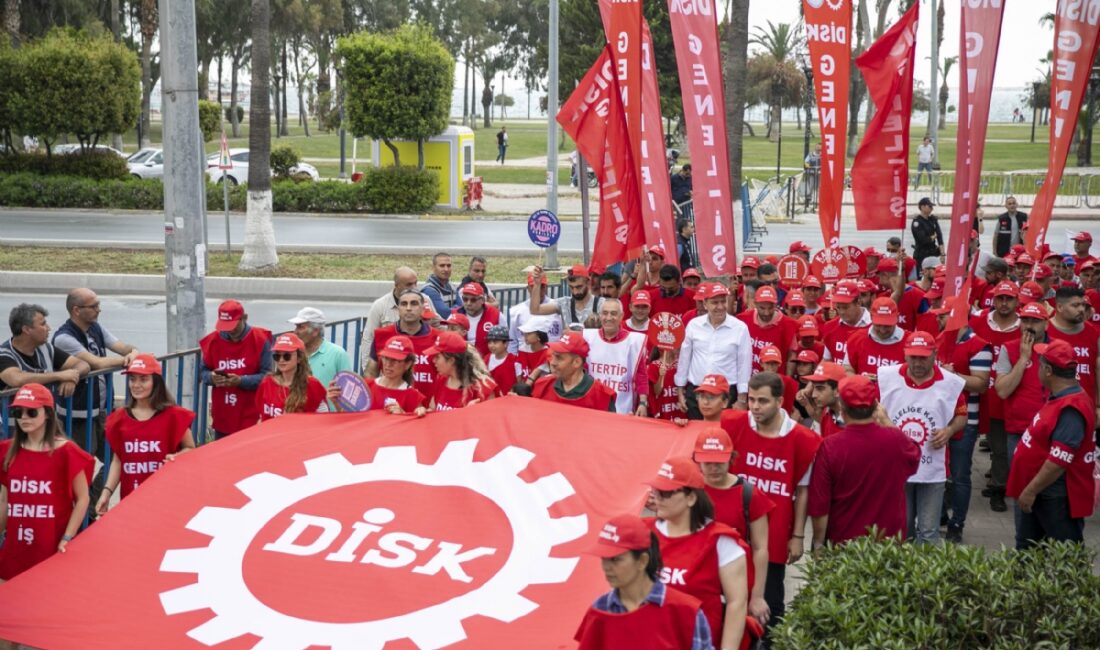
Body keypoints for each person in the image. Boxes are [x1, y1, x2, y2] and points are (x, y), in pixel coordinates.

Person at [721, 372, 820, 635]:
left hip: (775, 530)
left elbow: (803, 490)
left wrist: (798, 535)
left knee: (771, 603)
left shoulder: (802, 438)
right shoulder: (733, 423)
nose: (754, 407)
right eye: (751, 400)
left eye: (762, 401)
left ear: (779, 401)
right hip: (732, 529)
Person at [645, 457, 749, 650]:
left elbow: (737, 603)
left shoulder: (721, 541)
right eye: (656, 491)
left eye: (666, 493)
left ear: (691, 498)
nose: (657, 498)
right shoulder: (643, 533)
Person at [808, 375, 922, 547]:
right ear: (876, 406)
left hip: (843, 544)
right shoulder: (896, 441)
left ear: (842, 408)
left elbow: (820, 506)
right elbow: (914, 457)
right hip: (888, 544)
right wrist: (886, 421)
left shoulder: (830, 447)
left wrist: (818, 543)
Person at [877, 331, 966, 544]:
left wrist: (949, 430)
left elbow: (962, 415)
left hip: (932, 467)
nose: (917, 362)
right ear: (905, 355)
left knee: (928, 531)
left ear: (935, 354)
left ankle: (924, 575)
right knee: (901, 530)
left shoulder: (951, 383)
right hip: (896, 467)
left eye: (923, 357)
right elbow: (875, 411)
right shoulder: (887, 377)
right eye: (913, 357)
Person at [1006, 339, 1097, 549]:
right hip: (1043, 493)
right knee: (1027, 550)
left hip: (1054, 497)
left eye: (1040, 363)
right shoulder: (1061, 397)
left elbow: (1058, 461)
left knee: (1065, 556)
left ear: (1048, 370)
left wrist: (1030, 490)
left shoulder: (1071, 409)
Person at [574, 514, 713, 650]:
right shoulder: (599, 610)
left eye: (615, 559)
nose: (606, 567)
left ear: (642, 561)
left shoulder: (685, 612)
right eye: (603, 559)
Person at [0, 383, 93, 581]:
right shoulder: (7, 451)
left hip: (52, 543)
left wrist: (68, 537)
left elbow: (83, 499)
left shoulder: (67, 452)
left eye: (31, 412)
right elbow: (5, 502)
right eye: (18, 412)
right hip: (17, 545)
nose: (23, 417)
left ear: (48, 414)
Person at [51, 289, 137, 495]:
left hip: (101, 411)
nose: (99, 309)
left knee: (121, 456)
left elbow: (123, 346)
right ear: (76, 310)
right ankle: (78, 515)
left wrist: (131, 353)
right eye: (94, 306)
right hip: (77, 416)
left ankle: (90, 507)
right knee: (80, 468)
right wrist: (127, 359)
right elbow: (96, 363)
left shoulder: (95, 327)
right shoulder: (64, 338)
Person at [693, 428, 774, 629]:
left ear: (731, 458)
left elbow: (760, 548)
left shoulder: (749, 494)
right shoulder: (689, 491)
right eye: (707, 462)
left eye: (719, 461)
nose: (713, 468)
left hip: (738, 584)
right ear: (696, 460)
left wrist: (757, 596)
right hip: (699, 583)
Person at [97, 354, 195, 513]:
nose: (136, 385)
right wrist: (106, 493)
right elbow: (118, 460)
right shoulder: (119, 418)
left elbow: (190, 448)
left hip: (166, 497)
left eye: (143, 380)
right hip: (131, 498)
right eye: (132, 379)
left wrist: (178, 456)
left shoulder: (174, 416)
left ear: (155, 382)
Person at [933, 299, 993, 543]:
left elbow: (981, 383)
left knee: (959, 475)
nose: (938, 319)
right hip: (937, 418)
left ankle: (957, 523)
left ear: (956, 317)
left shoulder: (979, 345)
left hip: (965, 420)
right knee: (938, 471)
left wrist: (953, 376)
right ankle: (939, 515)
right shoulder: (938, 341)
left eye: (943, 315)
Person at [675, 282, 752, 420]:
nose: (720, 307)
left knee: (722, 437)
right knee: (696, 435)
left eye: (723, 301)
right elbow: (684, 358)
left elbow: (744, 365)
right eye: (715, 302)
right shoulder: (694, 325)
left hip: (726, 395)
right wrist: (680, 390)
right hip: (697, 392)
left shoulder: (740, 328)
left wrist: (741, 399)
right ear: (705, 304)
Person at [199, 300, 272, 440]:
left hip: (252, 416)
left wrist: (241, 381)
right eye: (225, 326)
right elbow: (203, 372)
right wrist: (212, 378)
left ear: (244, 318)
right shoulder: (212, 341)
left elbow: (268, 377)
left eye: (233, 325)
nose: (230, 330)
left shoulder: (260, 339)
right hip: (223, 417)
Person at [0, 304, 89, 402]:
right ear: (26, 330)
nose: (49, 328)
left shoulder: (46, 348)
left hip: (44, 415)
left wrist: (71, 377)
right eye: (43, 324)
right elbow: (16, 379)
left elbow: (82, 364)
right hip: (18, 416)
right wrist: (60, 375)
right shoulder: (4, 354)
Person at [583, 300, 649, 415]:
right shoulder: (588, 338)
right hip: (593, 405)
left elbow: (641, 375)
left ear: (621, 316)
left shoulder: (633, 342)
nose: (608, 317)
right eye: (605, 313)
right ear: (600, 315)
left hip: (622, 407)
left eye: (613, 313)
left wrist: (643, 403)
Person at [367, 290, 437, 394]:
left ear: (423, 309)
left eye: (414, 303)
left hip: (428, 408)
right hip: (389, 405)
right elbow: (371, 373)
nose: (408, 308)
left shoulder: (438, 338)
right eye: (404, 304)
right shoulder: (382, 336)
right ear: (398, 309)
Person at [1045, 286, 1100, 412]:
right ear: (1059, 307)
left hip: (1085, 407)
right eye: (1075, 305)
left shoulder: (1094, 333)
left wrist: (1098, 406)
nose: (1081, 309)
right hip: (1049, 407)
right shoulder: (1045, 331)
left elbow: (1098, 370)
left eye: (1082, 305)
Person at [531, 331, 616, 411]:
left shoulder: (602, 396)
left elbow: (611, 426)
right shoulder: (542, 386)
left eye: (559, 358)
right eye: (553, 356)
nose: (552, 362)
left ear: (577, 362)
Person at [256, 333, 329, 422]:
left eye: (287, 356)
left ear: (299, 358)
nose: (281, 360)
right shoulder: (266, 383)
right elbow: (261, 417)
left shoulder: (313, 385)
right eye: (277, 356)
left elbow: (324, 419)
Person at [425, 331, 497, 411]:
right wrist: (422, 411)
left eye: (437, 357)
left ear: (451, 360)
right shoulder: (441, 379)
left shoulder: (483, 387)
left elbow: (492, 419)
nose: (433, 360)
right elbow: (432, 409)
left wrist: (471, 414)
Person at [843, 297, 909, 381]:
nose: (882, 330)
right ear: (871, 316)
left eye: (887, 326)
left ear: (897, 317)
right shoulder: (856, 339)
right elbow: (847, 370)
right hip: (864, 392)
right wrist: (860, 380)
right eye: (878, 325)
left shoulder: (909, 342)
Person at [362, 266, 418, 365]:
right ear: (397, 286)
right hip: (389, 366)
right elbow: (368, 338)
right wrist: (368, 371)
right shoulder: (380, 305)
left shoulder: (425, 301)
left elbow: (439, 327)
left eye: (415, 283)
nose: (414, 288)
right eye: (409, 284)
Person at [289, 307, 351, 393]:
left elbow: (348, 389)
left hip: (327, 406)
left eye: (300, 327)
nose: (295, 332)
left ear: (315, 331)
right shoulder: (290, 354)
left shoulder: (338, 354)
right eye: (296, 327)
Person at [737, 286, 798, 372]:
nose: (766, 313)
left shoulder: (788, 325)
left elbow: (791, 355)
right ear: (755, 304)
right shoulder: (743, 319)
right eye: (762, 308)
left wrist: (786, 380)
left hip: (774, 381)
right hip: (746, 379)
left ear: (776, 304)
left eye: (770, 308)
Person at [364, 335, 427, 415]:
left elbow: (417, 426)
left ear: (408, 364)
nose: (388, 364)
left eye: (395, 360)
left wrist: (403, 414)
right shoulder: (366, 386)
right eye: (386, 358)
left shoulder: (413, 397)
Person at [529, 264, 602, 328]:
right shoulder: (564, 303)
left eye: (579, 287)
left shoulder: (602, 304)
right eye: (571, 287)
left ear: (588, 283)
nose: (575, 292)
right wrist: (537, 283)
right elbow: (535, 310)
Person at [508, 273, 564, 354]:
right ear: (528, 288)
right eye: (533, 287)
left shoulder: (557, 307)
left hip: (552, 358)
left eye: (542, 286)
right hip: (526, 358)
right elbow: (513, 341)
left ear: (546, 287)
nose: (538, 290)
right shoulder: (517, 311)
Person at [820, 281, 869, 363]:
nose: (842, 312)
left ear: (858, 302)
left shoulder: (875, 326)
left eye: (846, 307)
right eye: (838, 307)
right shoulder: (831, 327)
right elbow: (826, 360)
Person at [455, 282, 502, 357]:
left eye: (473, 300)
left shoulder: (497, 315)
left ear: (482, 300)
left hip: (487, 363)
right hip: (461, 363)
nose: (468, 303)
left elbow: (506, 341)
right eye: (465, 299)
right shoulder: (454, 315)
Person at [516, 317, 552, 389]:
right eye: (524, 333)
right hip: (524, 388)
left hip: (540, 389)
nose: (525, 336)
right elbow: (518, 372)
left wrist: (523, 390)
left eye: (529, 333)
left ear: (539, 336)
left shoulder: (548, 352)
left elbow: (534, 376)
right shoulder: (522, 349)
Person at [483, 326, 520, 396]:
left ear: (506, 344)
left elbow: (519, 383)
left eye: (495, 342)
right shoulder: (486, 359)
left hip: (508, 400)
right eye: (489, 342)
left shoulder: (514, 361)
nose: (491, 345)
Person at [421, 252, 457, 319]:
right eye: (442, 266)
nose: (446, 269)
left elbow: (464, 308)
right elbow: (445, 313)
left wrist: (452, 309)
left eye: (449, 266)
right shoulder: (429, 290)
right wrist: (456, 307)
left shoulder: (452, 287)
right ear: (433, 268)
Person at [910, 198, 944, 270]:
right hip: (921, 255)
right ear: (922, 207)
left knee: (936, 275)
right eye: (930, 206)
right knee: (922, 276)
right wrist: (933, 236)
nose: (932, 208)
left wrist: (942, 254)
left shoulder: (933, 220)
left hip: (933, 254)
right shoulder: (917, 222)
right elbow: (923, 240)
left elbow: (940, 238)